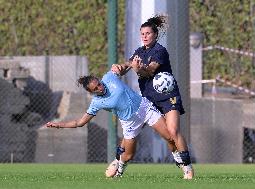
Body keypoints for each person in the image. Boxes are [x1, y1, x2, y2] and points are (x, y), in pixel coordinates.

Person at [44, 70, 177, 177]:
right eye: (96, 88)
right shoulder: (96, 103)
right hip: (129, 122)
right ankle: (119, 166)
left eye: (99, 84)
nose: (100, 88)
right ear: (91, 92)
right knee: (129, 155)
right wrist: (59, 125)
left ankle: (183, 164)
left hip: (144, 108)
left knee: (170, 136)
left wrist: (131, 63)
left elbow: (121, 67)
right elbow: (80, 122)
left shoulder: (109, 77)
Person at [111, 15, 194, 179]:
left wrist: (137, 69)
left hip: (168, 97)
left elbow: (149, 71)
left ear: (155, 35)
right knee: (131, 130)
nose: (144, 36)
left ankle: (188, 168)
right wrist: (118, 68)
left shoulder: (160, 51)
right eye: (142, 33)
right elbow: (127, 66)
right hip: (149, 100)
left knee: (173, 131)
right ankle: (117, 164)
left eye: (148, 33)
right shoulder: (139, 52)